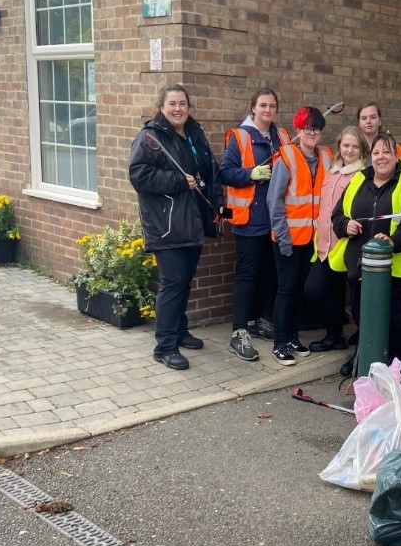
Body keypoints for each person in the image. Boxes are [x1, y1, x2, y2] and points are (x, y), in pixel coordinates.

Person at [129, 83, 220, 370]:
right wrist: (179, 181)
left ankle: (179, 331)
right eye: (172, 104)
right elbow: (139, 176)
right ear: (161, 107)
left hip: (192, 221)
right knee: (172, 283)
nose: (178, 109)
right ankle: (164, 346)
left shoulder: (195, 133)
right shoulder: (150, 138)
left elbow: (209, 170)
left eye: (182, 103)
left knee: (184, 280)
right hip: (167, 224)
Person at [330, 133, 401, 376]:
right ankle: (365, 362)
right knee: (365, 320)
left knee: (398, 323)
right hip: (360, 266)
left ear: (396, 156)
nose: (381, 157)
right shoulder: (358, 180)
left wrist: (394, 240)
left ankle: (396, 369)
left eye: (387, 152)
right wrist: (344, 225)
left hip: (395, 268)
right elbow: (337, 214)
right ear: (371, 157)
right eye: (377, 153)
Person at [220, 88, 290, 362]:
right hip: (249, 218)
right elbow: (224, 173)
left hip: (275, 218)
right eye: (263, 105)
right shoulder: (239, 136)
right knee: (247, 275)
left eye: (272, 106)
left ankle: (259, 320)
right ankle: (239, 331)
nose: (268, 110)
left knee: (269, 273)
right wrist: (251, 173)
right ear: (253, 108)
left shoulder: (282, 136)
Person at [267, 107, 333, 366]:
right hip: (288, 239)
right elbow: (275, 202)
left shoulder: (326, 157)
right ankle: (280, 342)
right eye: (307, 128)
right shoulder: (286, 158)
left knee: (300, 291)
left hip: (313, 240)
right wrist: (283, 238)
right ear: (298, 130)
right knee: (287, 289)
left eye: (316, 128)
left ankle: (293, 336)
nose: (312, 133)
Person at [304, 125, 368, 352]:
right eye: (346, 145)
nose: (349, 150)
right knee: (327, 293)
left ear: (362, 150)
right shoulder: (332, 172)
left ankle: (342, 336)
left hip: (343, 245)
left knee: (316, 291)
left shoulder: (362, 176)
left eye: (355, 146)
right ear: (339, 146)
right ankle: (335, 335)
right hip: (323, 244)